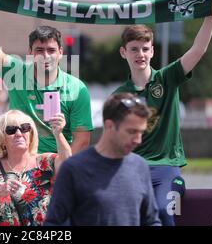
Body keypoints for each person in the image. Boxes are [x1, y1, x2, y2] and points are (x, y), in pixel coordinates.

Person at [113, 0, 212, 226]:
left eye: (144, 49)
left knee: (164, 211)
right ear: (124, 52)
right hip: (131, 167)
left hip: (166, 167)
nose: (139, 54)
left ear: (152, 51)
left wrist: (210, 15)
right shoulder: (119, 95)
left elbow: (198, 49)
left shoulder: (167, 78)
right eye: (134, 49)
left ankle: (178, 184)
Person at [0, 3, 93, 154]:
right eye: (39, 50)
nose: (45, 56)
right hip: (20, 161)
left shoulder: (77, 88)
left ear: (61, 53)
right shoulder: (17, 72)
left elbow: (82, 140)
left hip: (58, 161)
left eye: (51, 51)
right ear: (30, 52)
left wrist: (62, 169)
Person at [44, 93, 160, 226]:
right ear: (109, 126)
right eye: (132, 132)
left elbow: (151, 221)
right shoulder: (74, 168)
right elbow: (53, 224)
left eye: (141, 132)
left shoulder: (140, 166)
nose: (138, 140)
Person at [0, 109, 71, 226]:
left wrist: (58, 134)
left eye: (24, 128)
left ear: (31, 134)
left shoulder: (44, 161)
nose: (19, 133)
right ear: (2, 139)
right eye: (11, 130)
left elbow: (67, 166)